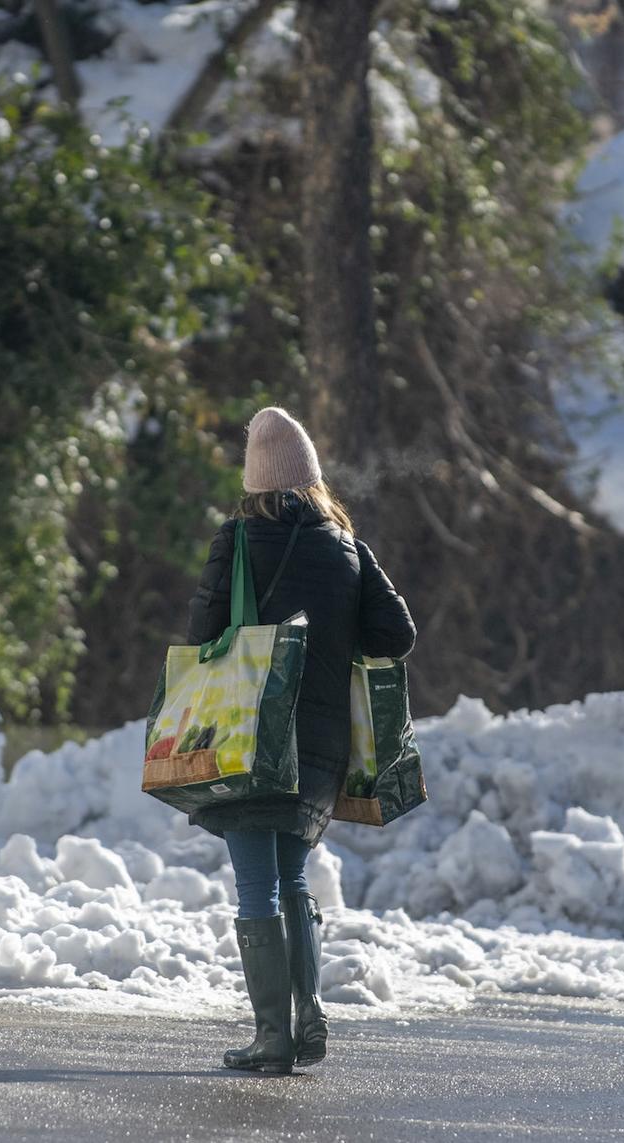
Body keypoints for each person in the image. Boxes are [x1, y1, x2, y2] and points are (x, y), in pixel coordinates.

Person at [185, 406, 416, 1073]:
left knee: (256, 885)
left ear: (254, 479)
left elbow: (201, 636)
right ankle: (308, 1017)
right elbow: (396, 637)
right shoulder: (348, 546)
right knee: (294, 877)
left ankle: (271, 1035)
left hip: (247, 737)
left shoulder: (236, 541)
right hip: (322, 746)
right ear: (314, 478)